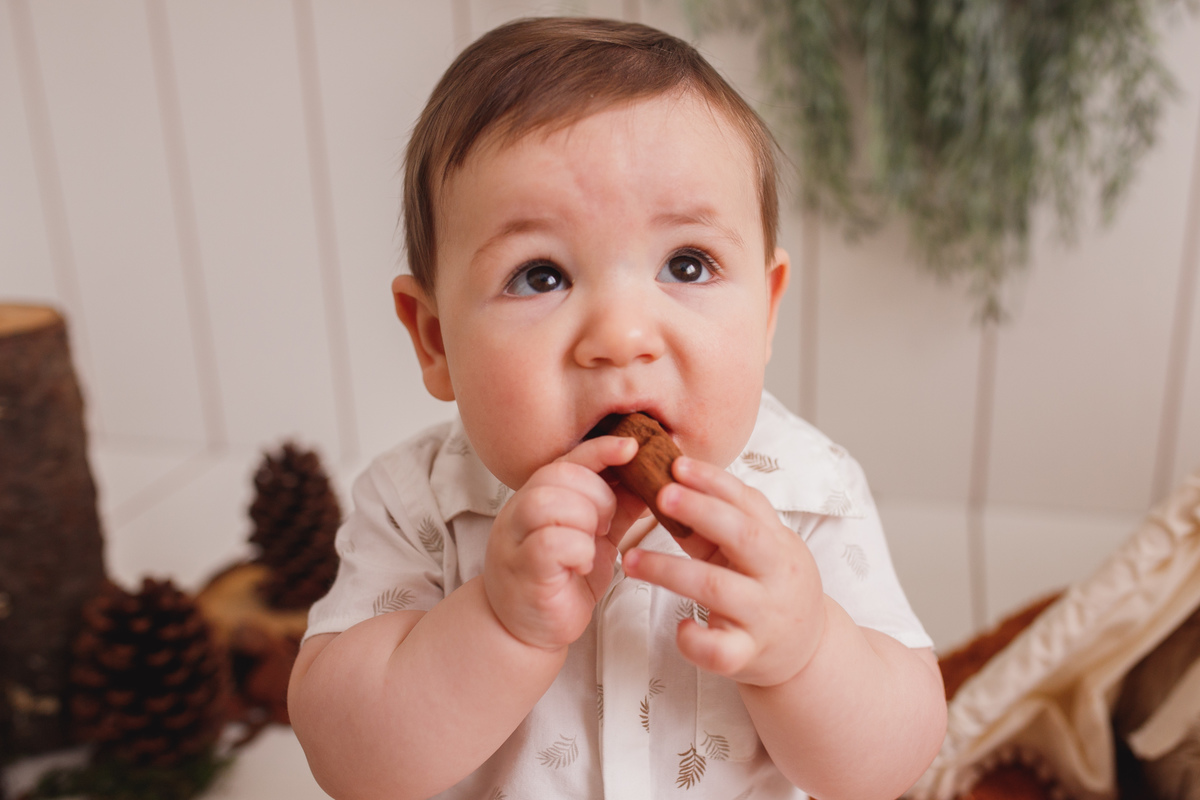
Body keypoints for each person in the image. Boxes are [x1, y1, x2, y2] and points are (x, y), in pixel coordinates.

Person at [288, 16, 947, 800]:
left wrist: (805, 652)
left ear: (767, 312)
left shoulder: (808, 495)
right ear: (434, 339)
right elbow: (351, 761)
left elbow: (893, 762)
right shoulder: (418, 507)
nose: (622, 337)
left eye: (687, 264)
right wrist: (498, 625)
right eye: (540, 276)